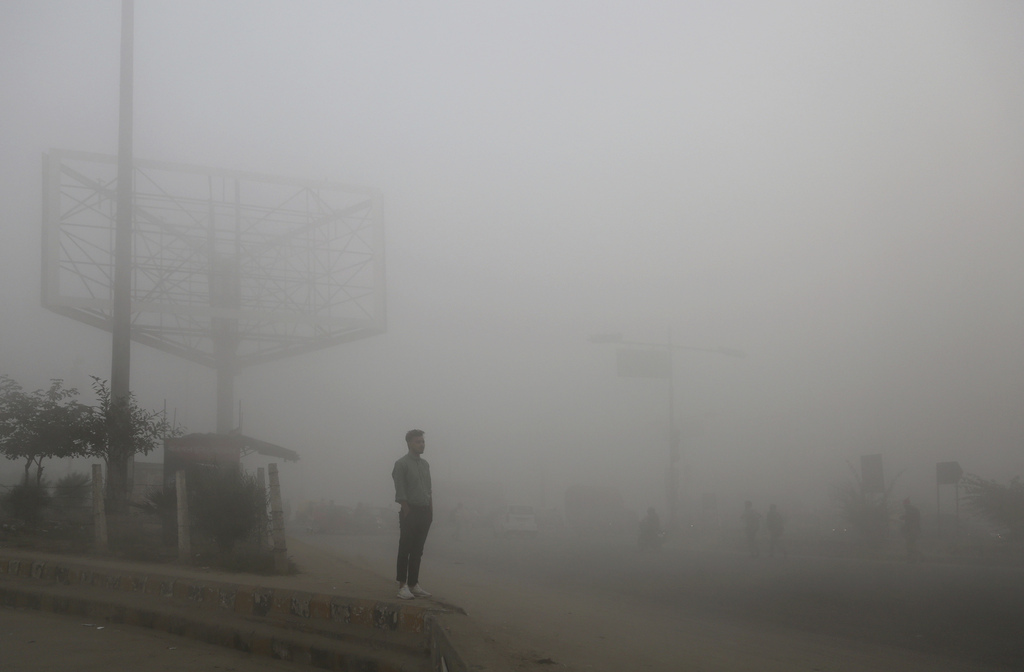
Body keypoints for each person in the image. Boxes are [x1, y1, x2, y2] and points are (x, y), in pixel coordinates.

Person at [392, 429, 433, 599]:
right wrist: (407, 510)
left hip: (425, 512)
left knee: (418, 550)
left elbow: (429, 490)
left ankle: (413, 583)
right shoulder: (401, 464)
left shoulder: (425, 465)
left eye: (422, 441)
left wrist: (431, 512)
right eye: (418, 441)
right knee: (405, 549)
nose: (421, 444)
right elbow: (400, 491)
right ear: (409, 443)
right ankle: (402, 586)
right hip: (410, 512)